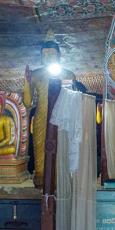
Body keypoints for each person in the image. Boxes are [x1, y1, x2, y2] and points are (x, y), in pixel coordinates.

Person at [22, 31, 76, 182]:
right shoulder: (35, 74)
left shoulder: (68, 74)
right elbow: (27, 103)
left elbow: (75, 100)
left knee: (62, 145)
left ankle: (60, 176)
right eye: (44, 55)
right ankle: (40, 175)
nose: (47, 58)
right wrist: (27, 82)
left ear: (59, 55)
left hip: (63, 115)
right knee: (40, 145)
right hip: (42, 114)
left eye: (51, 54)